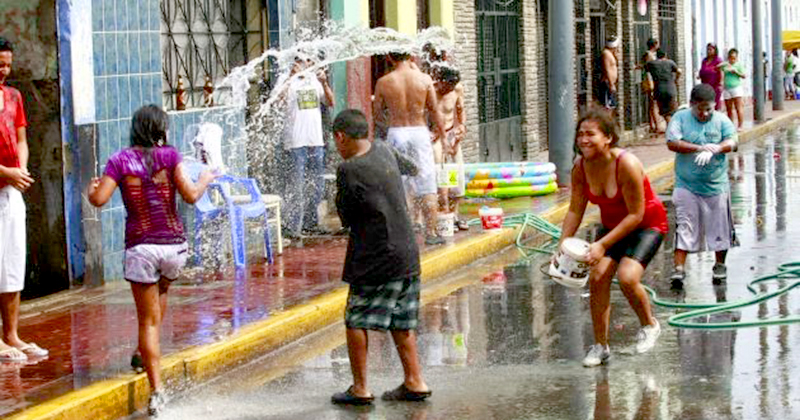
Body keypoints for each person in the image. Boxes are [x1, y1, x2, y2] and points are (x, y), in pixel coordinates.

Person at [88, 105, 217, 416]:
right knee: (160, 295)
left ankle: (157, 391)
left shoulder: (119, 161)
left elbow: (99, 200)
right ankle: (140, 352)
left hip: (141, 248)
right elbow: (189, 195)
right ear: (160, 130)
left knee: (147, 321)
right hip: (174, 248)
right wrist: (206, 180)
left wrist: (89, 188)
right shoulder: (169, 156)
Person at [330, 109, 431, 405]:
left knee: (356, 318)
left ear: (341, 137)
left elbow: (347, 217)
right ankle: (415, 381)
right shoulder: (385, 149)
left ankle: (360, 388)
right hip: (407, 252)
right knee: (401, 318)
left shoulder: (348, 169)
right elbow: (412, 168)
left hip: (376, 255)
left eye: (336, 141)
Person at [556, 106, 666, 368]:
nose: (583, 140)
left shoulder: (626, 164)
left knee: (628, 278)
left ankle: (650, 325)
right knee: (597, 277)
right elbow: (575, 209)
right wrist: (563, 245)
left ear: (608, 138)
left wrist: (602, 245)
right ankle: (600, 346)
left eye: (590, 134)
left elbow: (636, 215)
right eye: (580, 134)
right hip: (613, 227)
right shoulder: (580, 168)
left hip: (646, 224)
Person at [0, 37, 48, 363]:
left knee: (12, 263)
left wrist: (21, 168)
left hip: (11, 191)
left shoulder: (14, 97)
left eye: (7, 64)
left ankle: (11, 334)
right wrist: (7, 172)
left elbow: (21, 139)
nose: (4, 70)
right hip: (6, 182)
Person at [666, 84, 738, 288]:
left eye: (709, 109)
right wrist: (699, 148)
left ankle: (720, 266)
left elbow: (733, 141)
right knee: (685, 225)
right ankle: (679, 269)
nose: (705, 114)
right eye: (700, 109)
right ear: (692, 105)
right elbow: (672, 142)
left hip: (716, 186)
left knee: (720, 228)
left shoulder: (722, 120)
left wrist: (717, 148)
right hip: (686, 184)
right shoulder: (680, 118)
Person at [373, 52, 446, 246]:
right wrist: (444, 137)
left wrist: (390, 127)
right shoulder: (424, 79)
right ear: (411, 57)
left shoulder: (384, 81)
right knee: (427, 182)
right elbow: (434, 110)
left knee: (400, 182)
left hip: (396, 132)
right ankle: (431, 233)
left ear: (389, 58)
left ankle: (403, 233)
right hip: (419, 132)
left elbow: (377, 115)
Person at [281, 57, 335, 239]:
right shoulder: (289, 81)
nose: (308, 64)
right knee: (296, 185)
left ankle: (311, 223)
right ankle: (293, 226)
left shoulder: (316, 80)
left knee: (316, 185)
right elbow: (278, 102)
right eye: (303, 60)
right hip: (296, 143)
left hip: (315, 141)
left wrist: (325, 83)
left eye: (310, 60)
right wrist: (290, 77)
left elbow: (330, 102)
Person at [431, 67, 468, 231]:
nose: (449, 90)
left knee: (457, 173)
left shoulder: (457, 89)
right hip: (435, 137)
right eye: (447, 86)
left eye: (453, 87)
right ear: (440, 81)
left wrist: (462, 126)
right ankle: (444, 212)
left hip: (451, 133)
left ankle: (455, 214)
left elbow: (461, 109)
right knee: (442, 174)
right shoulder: (430, 90)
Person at [645, 50, 682, 126]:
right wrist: (676, 80)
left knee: (664, 112)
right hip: (670, 89)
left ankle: (670, 126)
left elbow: (642, 66)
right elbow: (679, 71)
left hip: (659, 90)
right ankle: (672, 128)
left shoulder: (651, 64)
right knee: (672, 111)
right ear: (665, 55)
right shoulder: (670, 62)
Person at [720, 48, 746, 129]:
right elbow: (719, 70)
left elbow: (744, 75)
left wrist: (736, 72)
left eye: (734, 58)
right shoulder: (726, 65)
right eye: (731, 58)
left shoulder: (738, 65)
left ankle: (740, 125)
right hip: (727, 88)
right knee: (729, 109)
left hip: (736, 88)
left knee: (738, 107)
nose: (732, 60)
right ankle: (730, 126)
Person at [638, 38, 660, 133]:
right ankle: (656, 125)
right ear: (654, 45)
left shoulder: (652, 55)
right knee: (653, 103)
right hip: (650, 80)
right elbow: (645, 66)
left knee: (652, 103)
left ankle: (653, 124)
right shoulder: (649, 55)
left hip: (652, 79)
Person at [699, 43, 724, 110]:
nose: (709, 51)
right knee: (706, 103)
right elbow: (702, 70)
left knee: (714, 104)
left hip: (715, 85)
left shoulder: (718, 60)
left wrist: (721, 83)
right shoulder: (704, 60)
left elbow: (721, 71)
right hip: (705, 85)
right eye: (708, 49)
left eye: (710, 49)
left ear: (715, 50)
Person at [598, 37, 621, 111]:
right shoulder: (606, 54)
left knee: (612, 106)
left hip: (611, 83)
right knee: (607, 107)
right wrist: (611, 84)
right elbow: (606, 69)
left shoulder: (611, 54)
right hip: (607, 83)